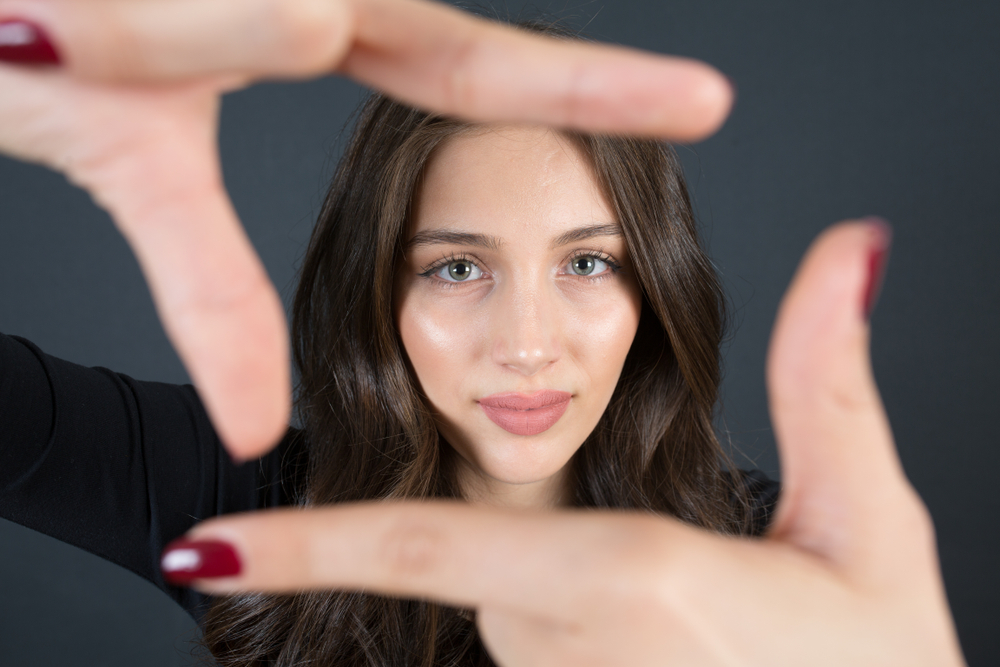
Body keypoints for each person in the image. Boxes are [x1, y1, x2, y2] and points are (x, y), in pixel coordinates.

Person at [0, 2, 967, 666]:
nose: (528, 343)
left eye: (589, 263)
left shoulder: (767, 569)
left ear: (654, 288)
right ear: (378, 290)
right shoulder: (245, 498)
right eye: (457, 268)